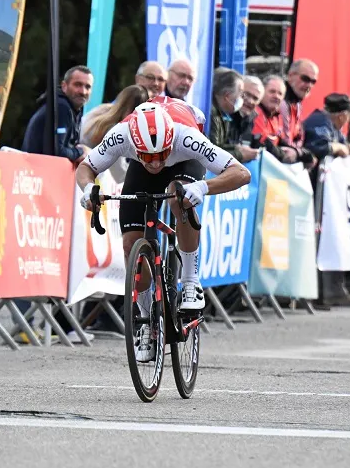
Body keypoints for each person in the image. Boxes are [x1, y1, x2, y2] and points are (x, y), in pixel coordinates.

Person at [76, 100, 251, 361]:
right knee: (129, 244)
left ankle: (191, 282)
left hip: (184, 162)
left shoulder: (186, 137)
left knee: (177, 198)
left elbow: (241, 172)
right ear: (134, 145)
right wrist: (89, 189)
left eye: (160, 155)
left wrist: (202, 188)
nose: (156, 164)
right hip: (140, 168)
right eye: (148, 156)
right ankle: (145, 320)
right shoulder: (122, 135)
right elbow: (86, 168)